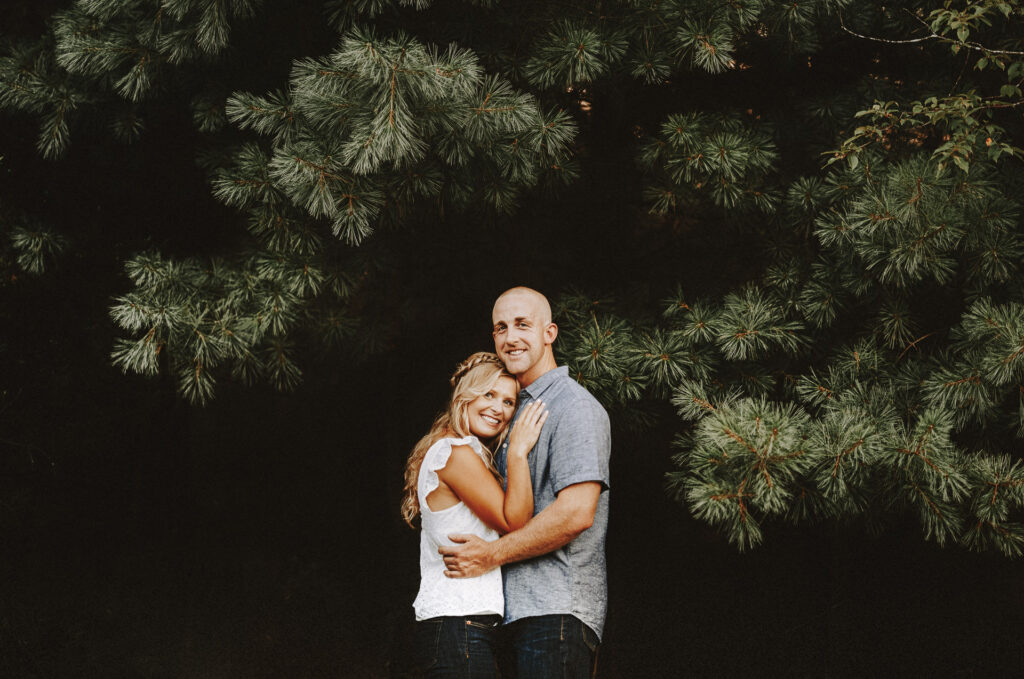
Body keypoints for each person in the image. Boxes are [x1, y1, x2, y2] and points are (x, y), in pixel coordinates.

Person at [439, 287, 611, 678]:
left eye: (522, 325)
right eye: (501, 328)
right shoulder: (509, 410)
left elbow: (576, 513)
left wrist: (491, 554)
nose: (510, 337)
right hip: (511, 614)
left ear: (549, 333)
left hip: (557, 611)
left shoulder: (574, 407)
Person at [402, 351, 549, 678]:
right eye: (489, 394)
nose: (499, 408)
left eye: (509, 402)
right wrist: (518, 452)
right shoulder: (455, 453)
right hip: (458, 624)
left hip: (459, 625)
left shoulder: (450, 449)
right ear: (464, 397)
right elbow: (515, 523)